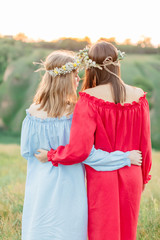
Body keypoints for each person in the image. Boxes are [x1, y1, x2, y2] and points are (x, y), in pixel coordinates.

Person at [21, 50, 142, 240]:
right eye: (75, 74)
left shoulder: (32, 113)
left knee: (40, 230)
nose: (79, 78)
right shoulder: (75, 112)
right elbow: (86, 154)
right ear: (65, 79)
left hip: (39, 188)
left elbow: (27, 151)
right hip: (69, 189)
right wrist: (124, 157)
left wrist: (50, 155)